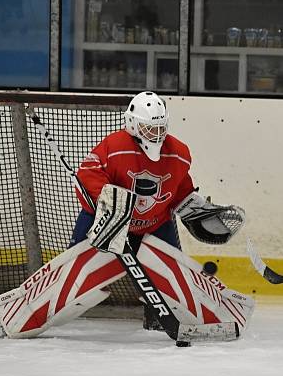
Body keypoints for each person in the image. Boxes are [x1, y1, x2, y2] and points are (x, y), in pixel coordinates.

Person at [70, 90, 194, 329]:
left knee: (169, 275)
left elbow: (182, 188)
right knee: (76, 268)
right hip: (107, 219)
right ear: (134, 125)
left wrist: (196, 209)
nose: (156, 135)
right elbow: (87, 174)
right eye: (150, 129)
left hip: (154, 223)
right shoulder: (115, 146)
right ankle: (56, 293)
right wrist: (110, 201)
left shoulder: (179, 152)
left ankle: (156, 316)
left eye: (160, 128)